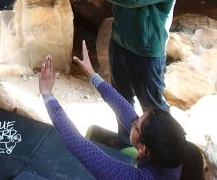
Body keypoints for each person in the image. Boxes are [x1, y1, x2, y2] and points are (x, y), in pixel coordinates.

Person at [58, 0, 178, 148]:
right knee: (120, 98)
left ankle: (167, 152)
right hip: (120, 44)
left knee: (153, 107)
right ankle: (125, 142)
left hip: (147, 53)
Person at [38, 42, 204, 180]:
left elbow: (77, 143)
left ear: (143, 149)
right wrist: (92, 75)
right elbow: (125, 111)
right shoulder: (176, 149)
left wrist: (47, 95)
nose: (133, 120)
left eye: (136, 125)